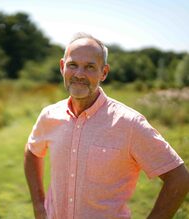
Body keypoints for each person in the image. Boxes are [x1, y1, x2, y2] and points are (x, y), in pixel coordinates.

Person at [24, 32, 189, 219]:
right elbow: (32, 151)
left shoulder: (129, 124)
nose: (79, 74)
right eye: (73, 65)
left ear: (104, 72)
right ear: (62, 67)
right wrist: (39, 206)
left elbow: (179, 179)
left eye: (90, 67)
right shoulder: (49, 115)